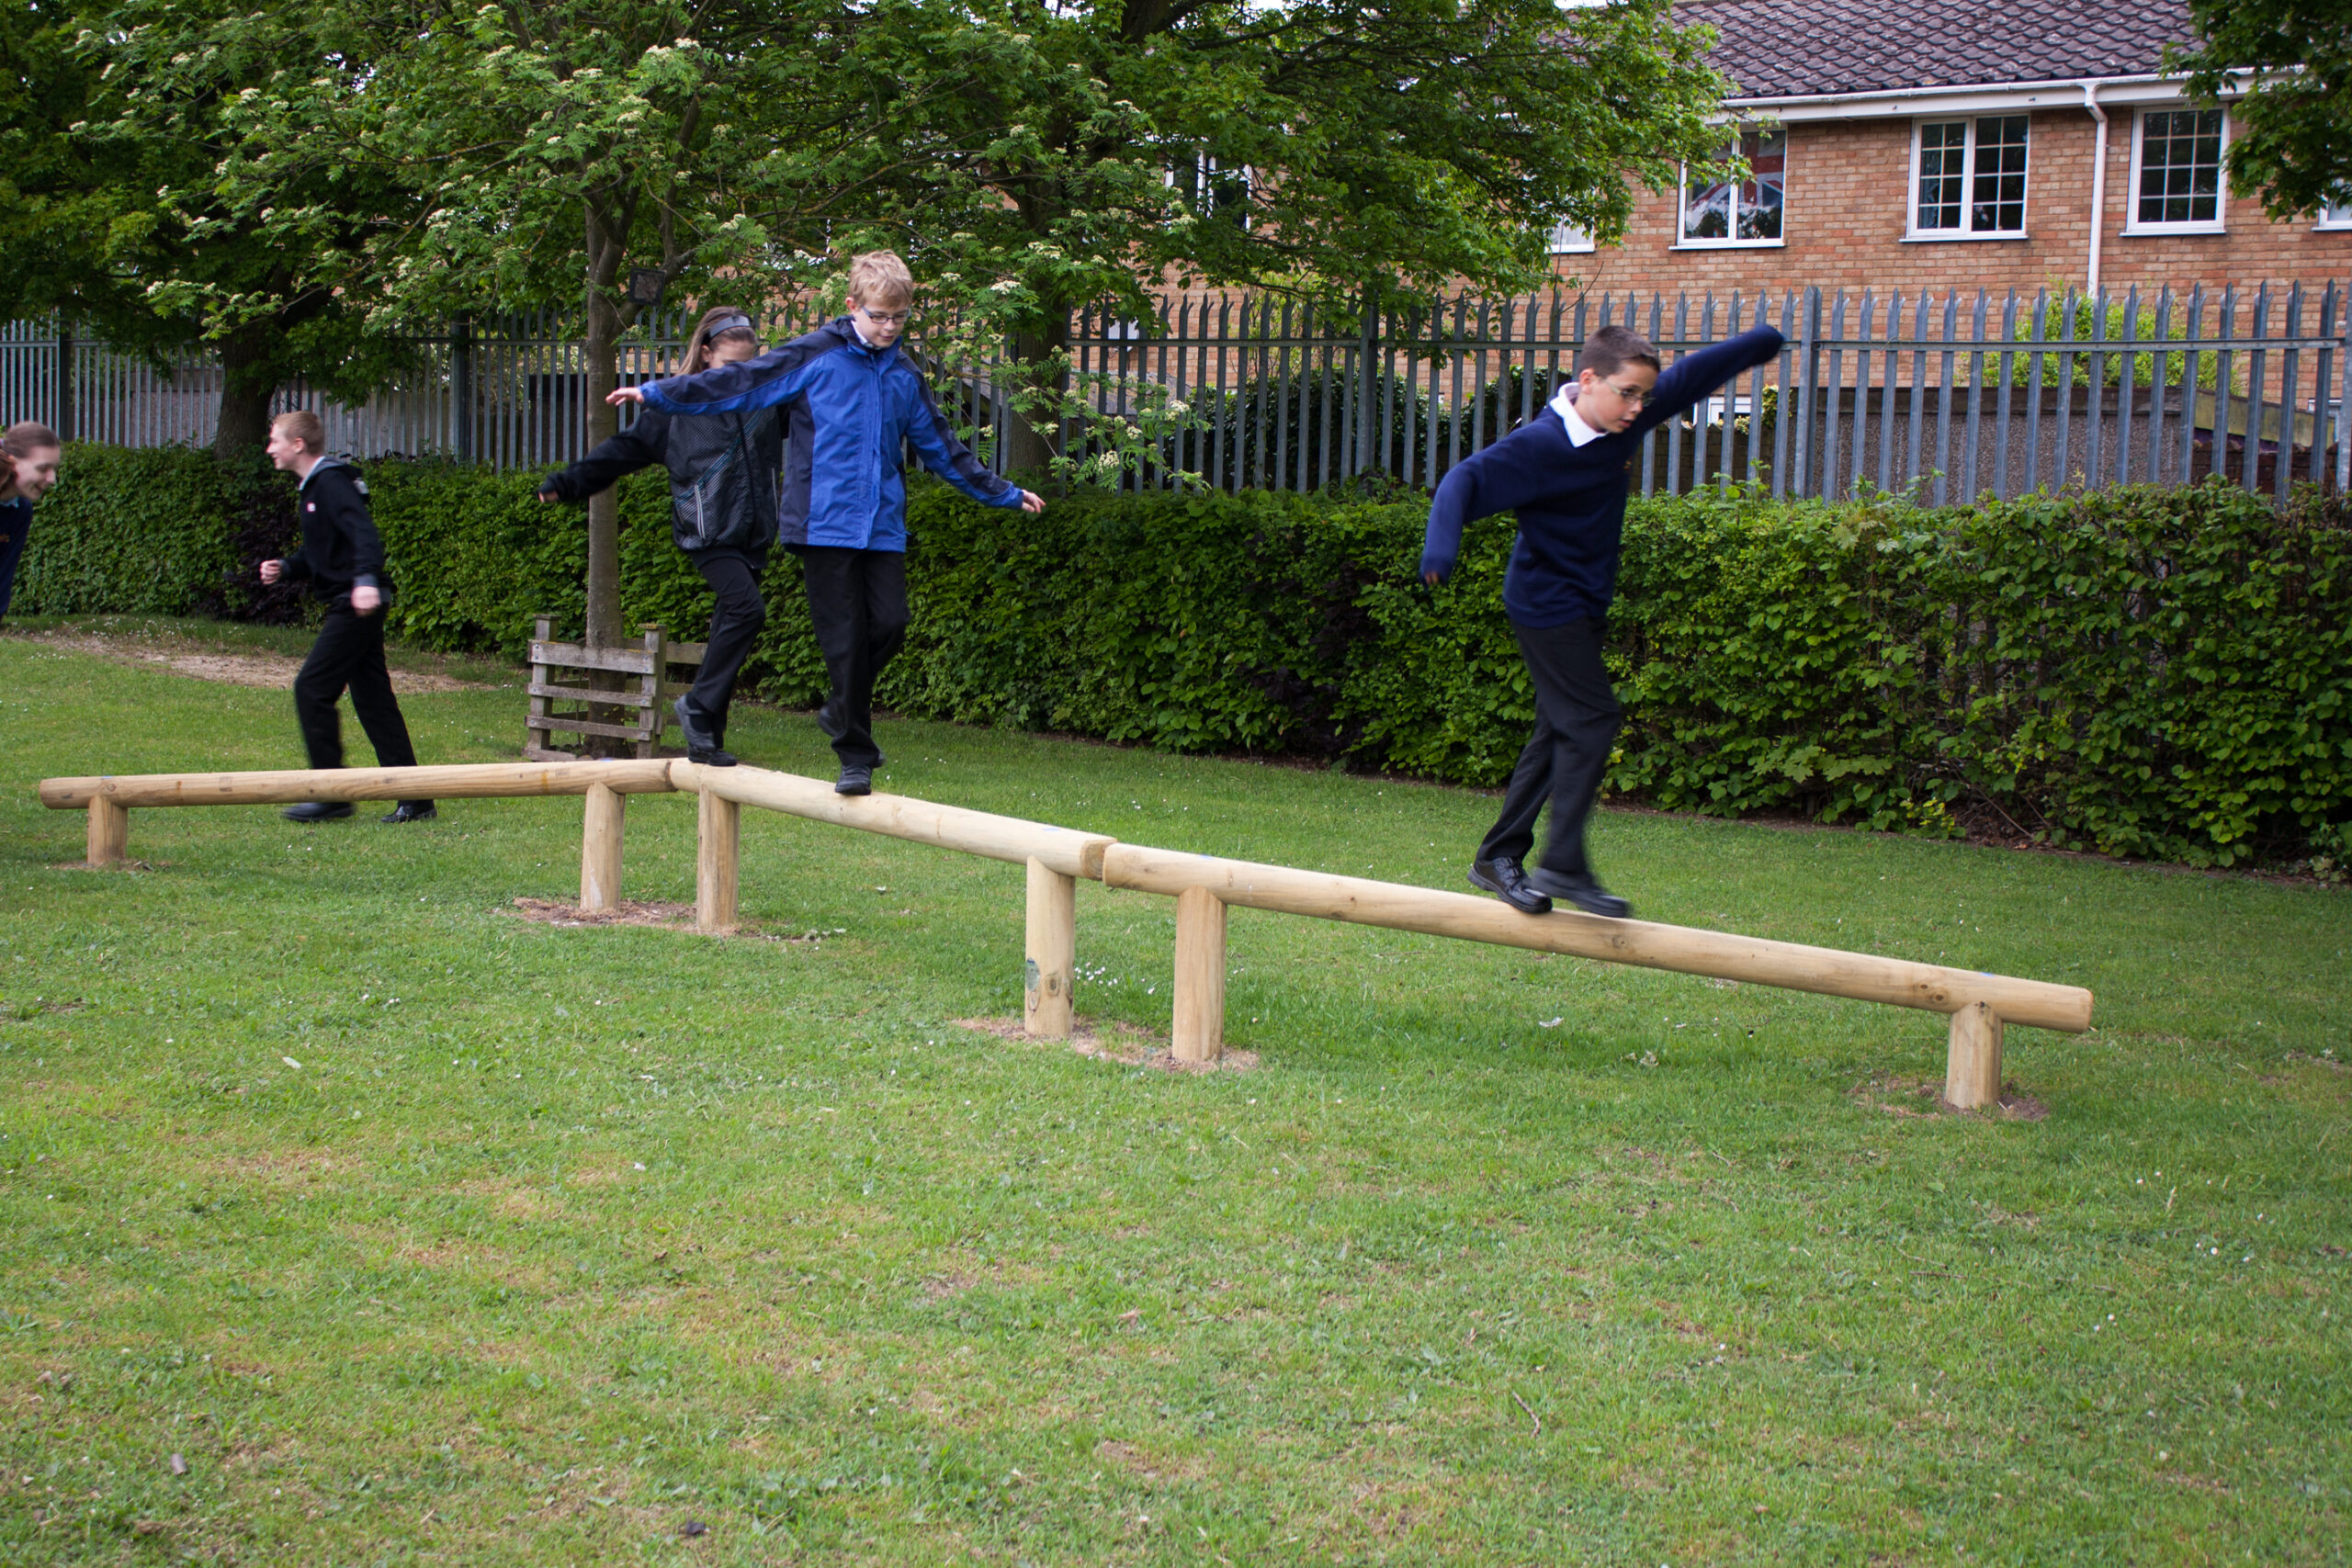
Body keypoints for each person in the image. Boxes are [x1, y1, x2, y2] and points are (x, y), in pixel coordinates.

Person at [607, 251, 1046, 795]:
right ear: (852, 305)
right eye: (878, 316)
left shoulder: (904, 375)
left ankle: (840, 707)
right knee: (845, 641)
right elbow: (741, 382)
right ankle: (854, 755)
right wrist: (658, 393)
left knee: (890, 624)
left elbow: (942, 448)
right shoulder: (815, 355)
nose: (889, 328)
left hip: (880, 525)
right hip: (820, 524)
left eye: (899, 318)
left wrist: (1003, 493)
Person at [1419, 320, 1784, 919]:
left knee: (1559, 729)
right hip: (1545, 603)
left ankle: (1497, 856)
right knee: (1592, 720)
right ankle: (1563, 863)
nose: (1638, 408)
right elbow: (1465, 479)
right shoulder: (1540, 446)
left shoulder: (1623, 416)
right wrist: (1440, 548)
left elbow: (1693, 378)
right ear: (1588, 380)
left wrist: (1760, 342)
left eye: (1644, 396)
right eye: (1628, 394)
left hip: (1584, 605)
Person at [538, 307, 777, 767]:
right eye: (730, 367)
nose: (739, 377)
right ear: (705, 355)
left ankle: (705, 740)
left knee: (729, 629)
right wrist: (567, 484)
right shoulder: (674, 411)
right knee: (747, 609)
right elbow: (621, 451)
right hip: (707, 533)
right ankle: (697, 706)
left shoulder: (764, 400)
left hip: (754, 534)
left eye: (748, 367)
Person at [256, 410, 435, 824]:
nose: (269, 449)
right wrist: (287, 566)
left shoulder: (331, 483)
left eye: (274, 441)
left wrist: (366, 579)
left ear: (298, 444)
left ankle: (332, 795)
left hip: (357, 602)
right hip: (356, 599)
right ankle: (417, 799)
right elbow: (323, 552)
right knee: (374, 700)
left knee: (311, 688)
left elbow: (363, 534)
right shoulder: (314, 487)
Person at [0, 421, 62, 621]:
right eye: (43, 468)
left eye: (54, 469)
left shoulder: (21, 510)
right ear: (13, 463)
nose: (52, 479)